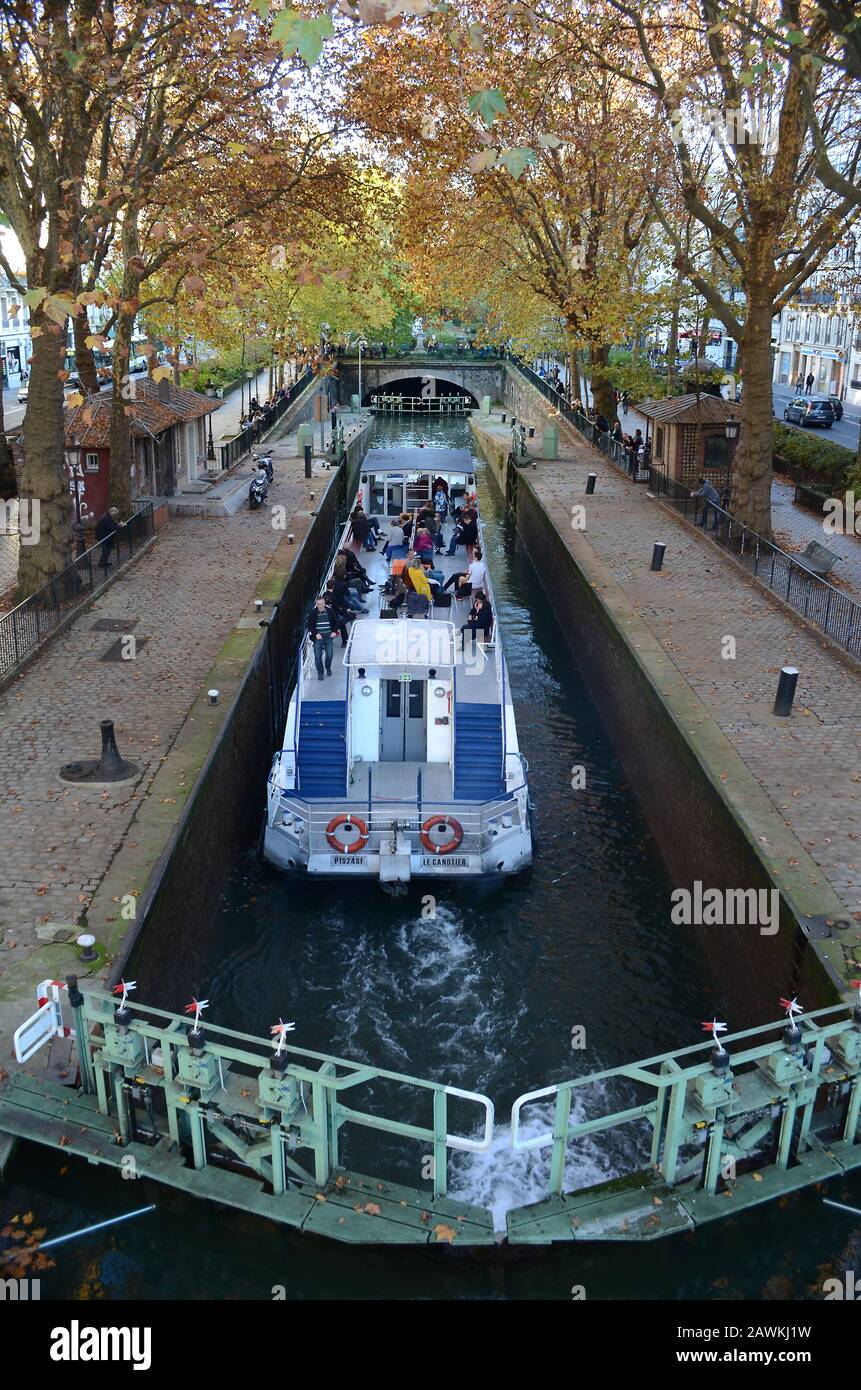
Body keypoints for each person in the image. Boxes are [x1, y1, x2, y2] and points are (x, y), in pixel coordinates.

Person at [308, 595, 337, 678]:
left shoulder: (330, 611)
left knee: (330, 655)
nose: (321, 606)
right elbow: (309, 625)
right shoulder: (313, 613)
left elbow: (336, 622)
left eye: (322, 604)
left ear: (324, 603)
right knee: (317, 656)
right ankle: (320, 672)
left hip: (328, 637)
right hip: (318, 638)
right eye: (319, 604)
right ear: (316, 604)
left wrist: (334, 631)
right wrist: (316, 633)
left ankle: (328, 667)